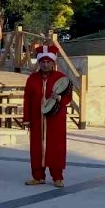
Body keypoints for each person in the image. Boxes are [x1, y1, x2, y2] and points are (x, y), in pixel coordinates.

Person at [22, 44, 71, 187]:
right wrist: (26, 119)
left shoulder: (61, 78)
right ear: (39, 63)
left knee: (56, 147)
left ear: (53, 62)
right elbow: (27, 99)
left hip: (55, 119)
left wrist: (59, 98)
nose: (45, 64)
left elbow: (68, 97)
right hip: (37, 119)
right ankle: (38, 176)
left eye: (48, 62)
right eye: (42, 62)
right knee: (36, 147)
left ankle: (57, 177)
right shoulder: (32, 79)